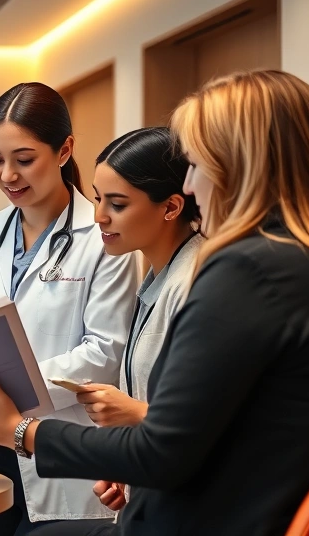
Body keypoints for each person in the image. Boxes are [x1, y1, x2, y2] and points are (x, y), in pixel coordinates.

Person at [0, 70, 309, 536]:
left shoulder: (247, 271)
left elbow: (162, 447)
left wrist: (20, 429)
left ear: (242, 167)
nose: (191, 187)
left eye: (196, 165)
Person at [0, 83, 139, 535]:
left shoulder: (106, 238)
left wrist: (5, 389)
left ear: (65, 149)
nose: (8, 174)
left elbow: (104, 353)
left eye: (24, 159)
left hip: (58, 450)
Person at [61, 127, 204, 531]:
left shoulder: (195, 283)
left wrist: (133, 415)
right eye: (96, 197)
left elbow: (204, 424)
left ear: (172, 207)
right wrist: (128, 463)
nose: (99, 216)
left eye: (117, 204)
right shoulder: (158, 275)